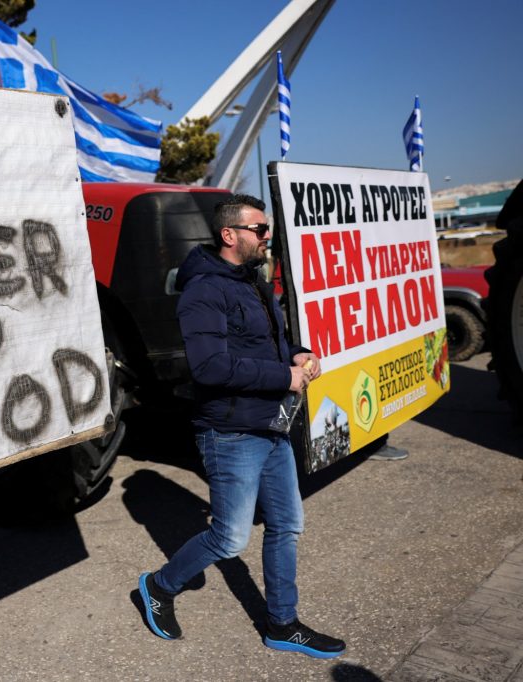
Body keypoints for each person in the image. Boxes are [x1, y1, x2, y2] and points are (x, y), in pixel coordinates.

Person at [137, 194, 345, 659]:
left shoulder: (251, 280)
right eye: (259, 230)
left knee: (287, 524)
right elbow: (209, 367)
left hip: (269, 422)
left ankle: (282, 623)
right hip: (230, 431)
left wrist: (296, 353)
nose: (266, 237)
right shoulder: (203, 291)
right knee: (230, 537)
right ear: (230, 235)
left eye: (266, 229)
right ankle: (158, 585)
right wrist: (283, 377)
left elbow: (268, 340)